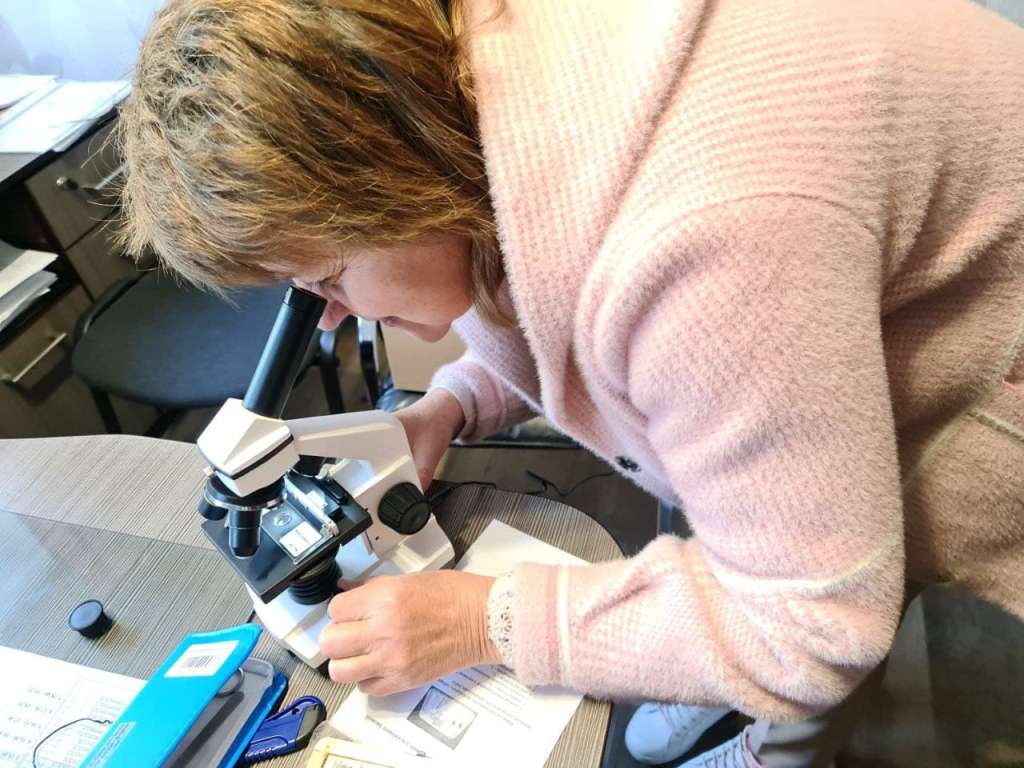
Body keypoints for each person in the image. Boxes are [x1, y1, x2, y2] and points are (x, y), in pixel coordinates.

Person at [118, 0, 1024, 765]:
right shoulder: (471, 93)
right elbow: (550, 287)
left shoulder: (695, 242)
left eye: (324, 278)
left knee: (820, 606)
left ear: (386, 185)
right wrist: (451, 404)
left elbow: (816, 623)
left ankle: (773, 744)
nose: (326, 318)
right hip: (830, 280)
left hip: (985, 369)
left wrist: (486, 621)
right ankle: (715, 674)